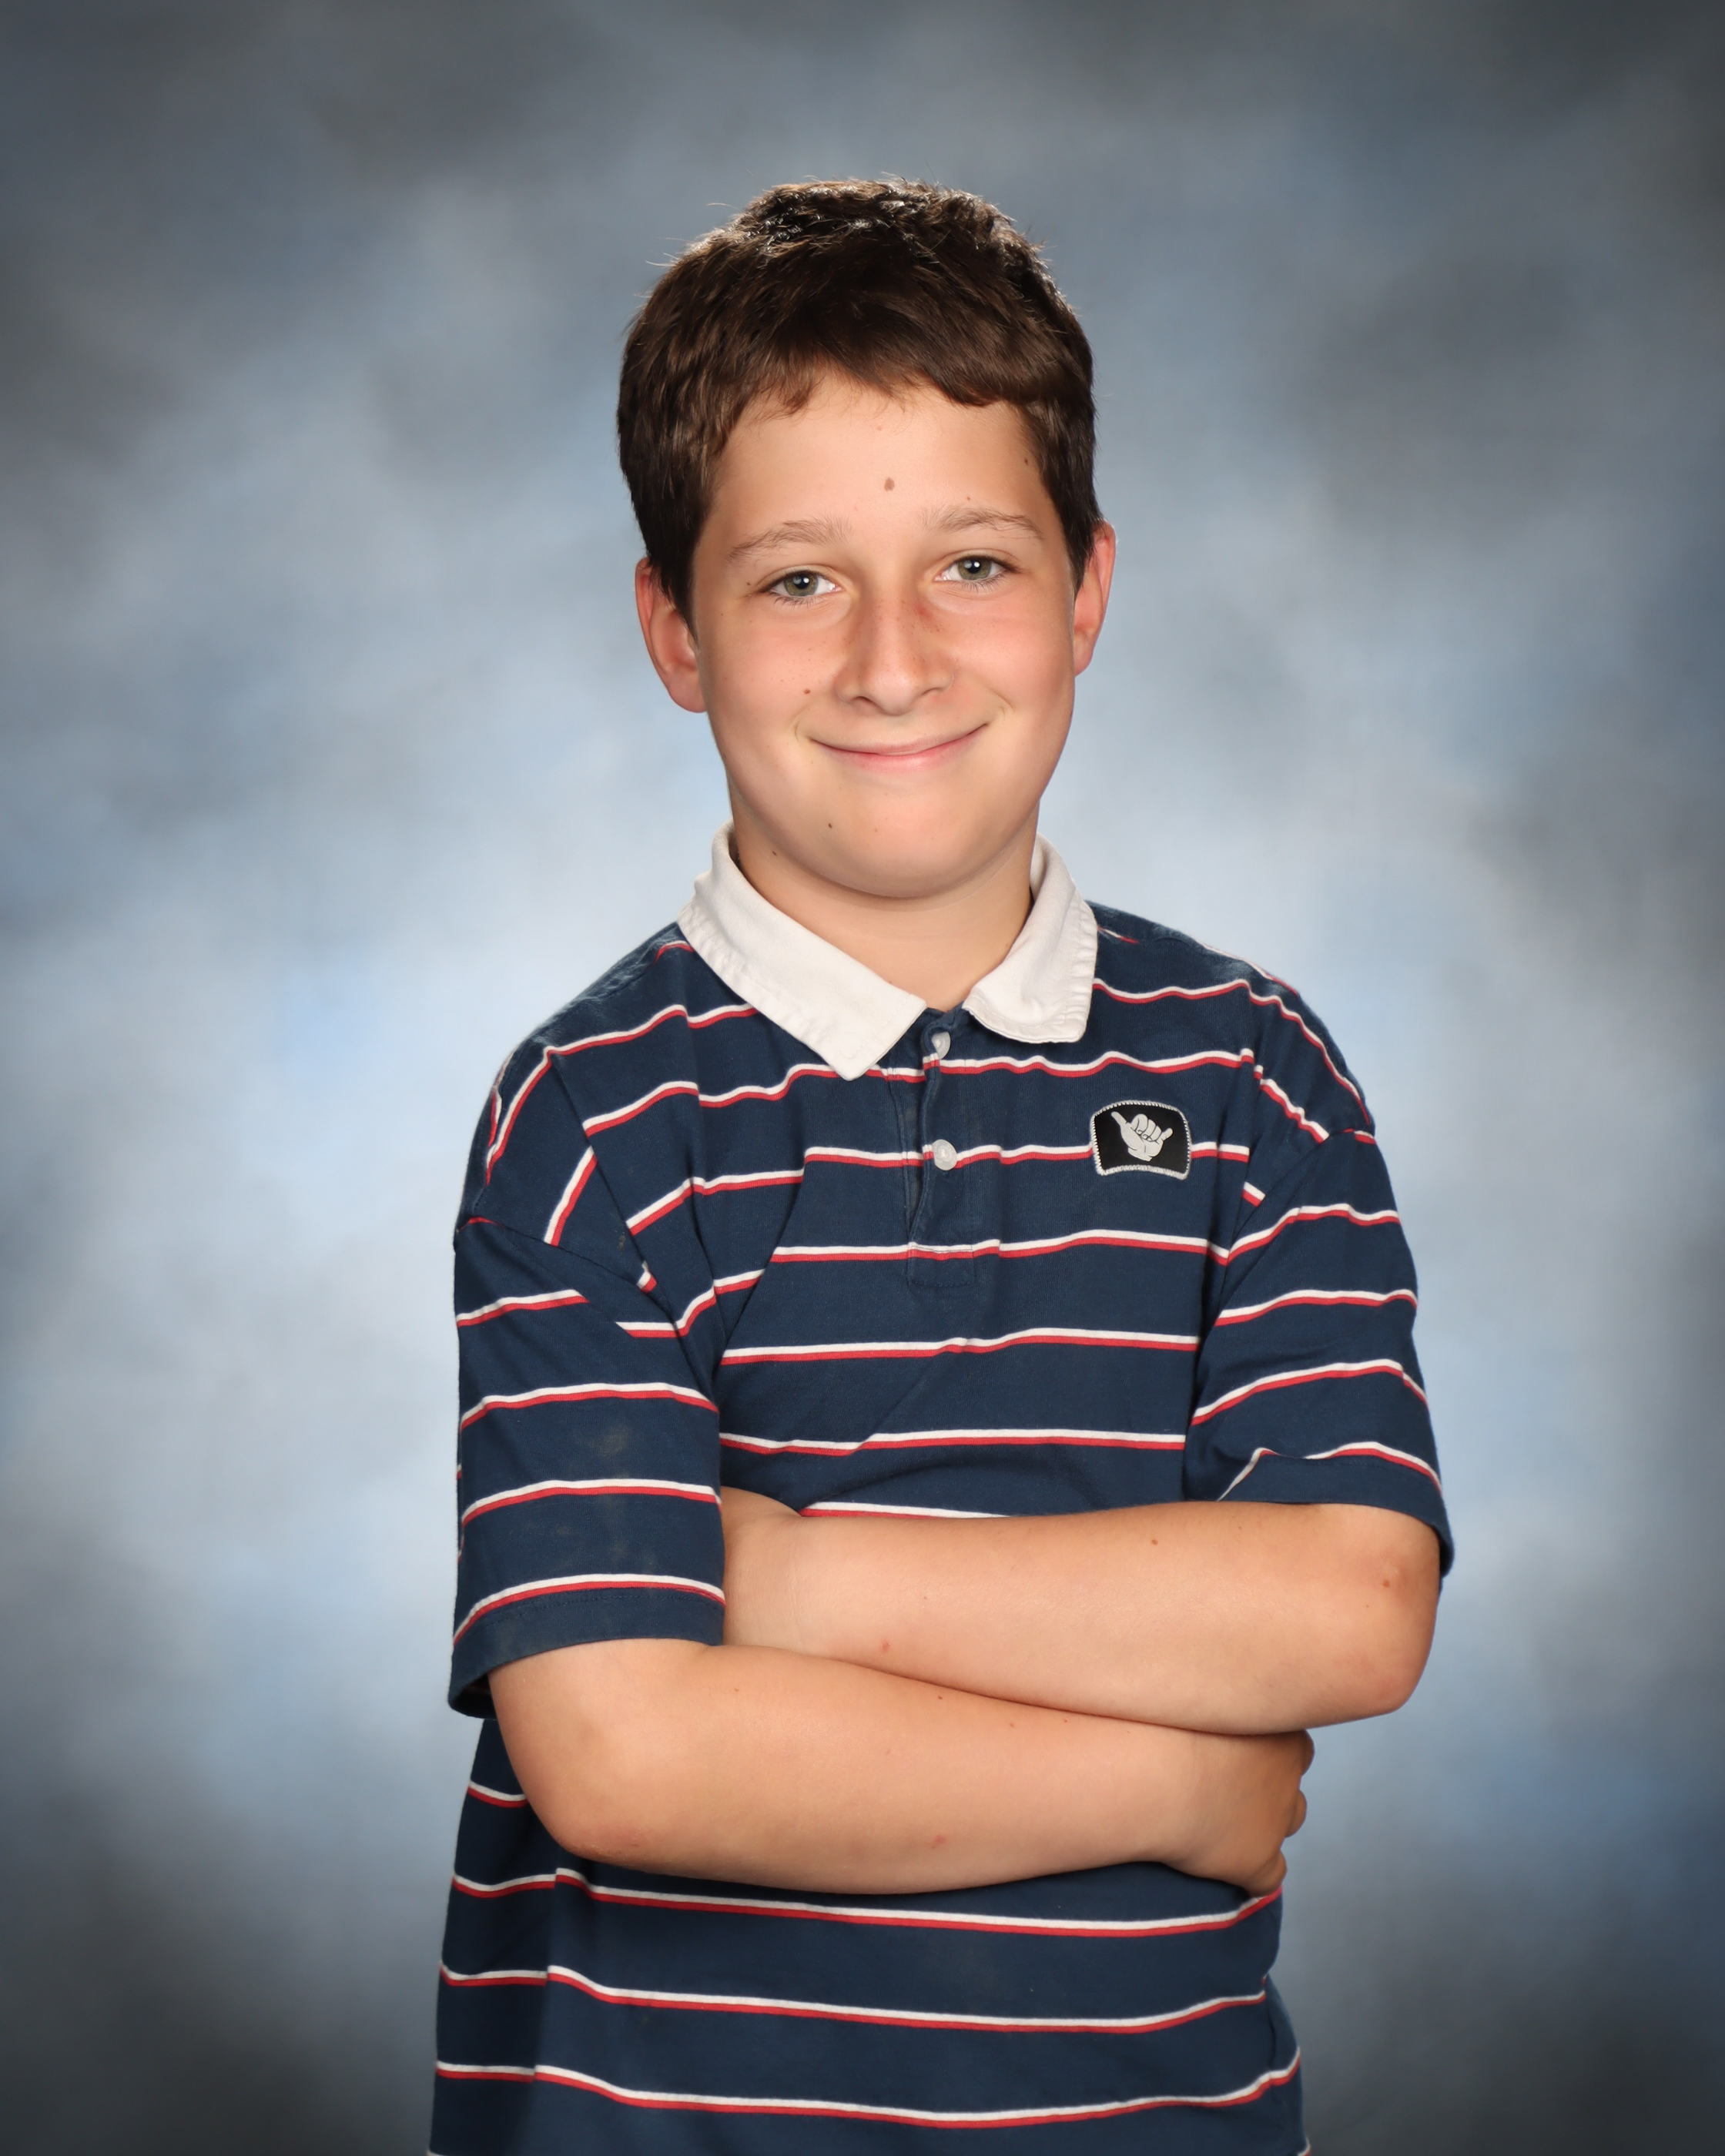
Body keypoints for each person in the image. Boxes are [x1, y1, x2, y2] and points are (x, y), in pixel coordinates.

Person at [430, 179, 1449, 2156]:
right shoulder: (594, 1115)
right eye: (798, 581)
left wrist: (786, 1574)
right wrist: (1173, 1784)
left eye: (972, 563)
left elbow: (1348, 1604)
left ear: (1085, 594)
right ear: (673, 629)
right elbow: (627, 1750)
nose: (893, 661)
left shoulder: (1250, 1074)